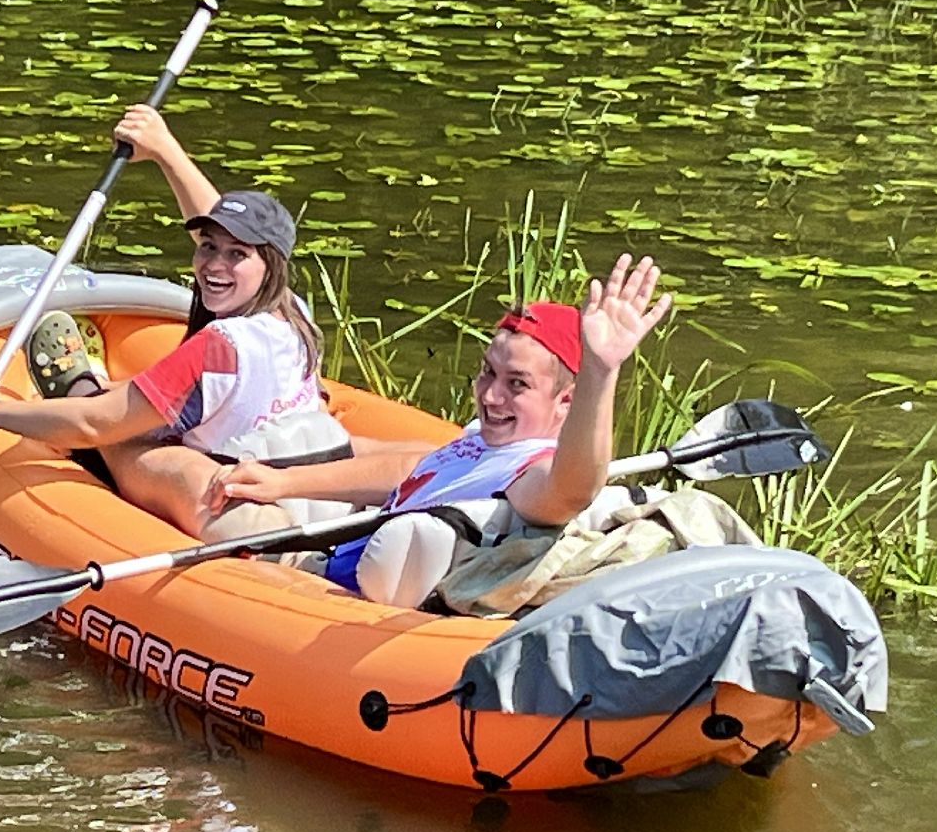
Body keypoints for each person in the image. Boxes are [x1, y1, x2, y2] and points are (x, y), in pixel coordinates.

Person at [0, 104, 331, 541]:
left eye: (236, 254)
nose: (213, 265)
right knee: (140, 401)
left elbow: (97, 423)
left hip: (223, 488)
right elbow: (226, 234)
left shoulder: (218, 347)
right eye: (207, 247)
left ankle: (79, 386)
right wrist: (167, 151)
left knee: (120, 429)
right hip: (288, 478)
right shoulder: (293, 311)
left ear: (269, 265)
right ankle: (105, 391)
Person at [208, 252, 671, 594]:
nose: (491, 395)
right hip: (342, 547)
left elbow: (571, 490)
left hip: (333, 586)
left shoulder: (533, 475)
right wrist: (285, 481)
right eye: (489, 371)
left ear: (566, 402)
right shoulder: (490, 439)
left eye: (517, 384)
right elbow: (417, 467)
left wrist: (600, 372)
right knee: (306, 437)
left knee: (188, 483)